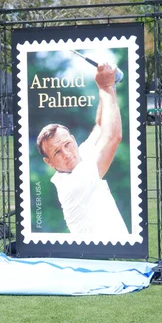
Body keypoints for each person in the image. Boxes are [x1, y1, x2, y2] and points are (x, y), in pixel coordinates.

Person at [36, 63, 127, 237]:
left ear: (74, 140)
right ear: (48, 162)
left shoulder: (82, 154)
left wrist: (111, 86)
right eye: (57, 152)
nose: (67, 154)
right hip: (101, 259)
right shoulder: (72, 184)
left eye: (67, 144)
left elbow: (101, 126)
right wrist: (105, 85)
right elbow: (114, 137)